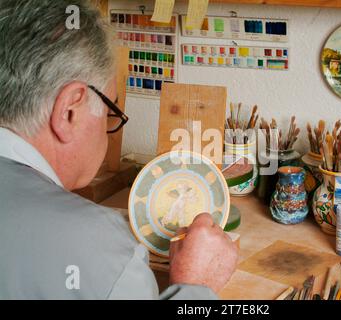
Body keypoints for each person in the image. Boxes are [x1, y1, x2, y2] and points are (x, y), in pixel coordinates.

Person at [0, 0, 238, 299]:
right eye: (112, 110)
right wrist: (196, 286)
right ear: (69, 111)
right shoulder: (94, 243)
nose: (110, 129)